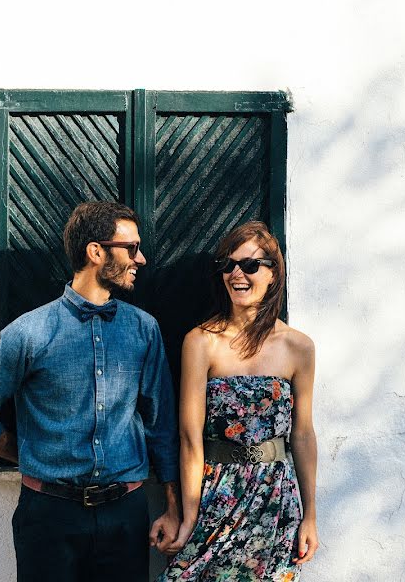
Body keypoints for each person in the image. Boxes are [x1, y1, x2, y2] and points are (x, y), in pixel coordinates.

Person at [0, 201, 180, 582]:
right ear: (96, 251)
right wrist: (22, 452)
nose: (141, 259)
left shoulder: (144, 329)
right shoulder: (29, 332)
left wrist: (172, 507)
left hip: (125, 514)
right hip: (48, 516)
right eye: (132, 248)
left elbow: (162, 424)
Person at [158, 221, 319, 581]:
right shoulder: (201, 342)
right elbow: (189, 437)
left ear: (273, 274)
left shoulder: (299, 348)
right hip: (217, 493)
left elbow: (303, 435)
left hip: (276, 499)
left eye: (250, 265)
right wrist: (189, 515)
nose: (237, 274)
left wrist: (310, 515)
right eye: (228, 265)